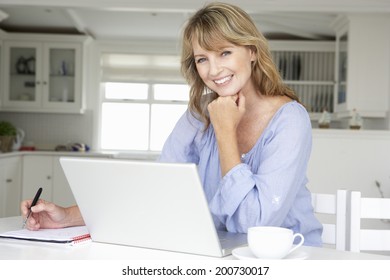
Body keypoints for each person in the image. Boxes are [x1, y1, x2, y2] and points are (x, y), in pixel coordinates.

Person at [21, 2, 322, 246]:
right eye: (202, 59)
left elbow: (253, 224)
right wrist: (67, 216)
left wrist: (225, 131)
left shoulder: (290, 119)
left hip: (287, 263)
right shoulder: (199, 112)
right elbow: (157, 192)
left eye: (225, 53)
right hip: (216, 255)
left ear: (252, 52)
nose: (213, 70)